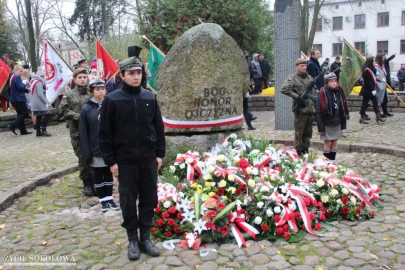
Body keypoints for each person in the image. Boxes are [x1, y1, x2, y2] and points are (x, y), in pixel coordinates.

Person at [98, 57, 165, 260]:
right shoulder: (113, 99)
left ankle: (145, 238)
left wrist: (159, 153)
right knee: (128, 202)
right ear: (123, 75)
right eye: (131, 73)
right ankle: (132, 240)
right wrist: (111, 161)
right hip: (125, 161)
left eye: (139, 73)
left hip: (147, 160)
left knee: (148, 199)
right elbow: (105, 133)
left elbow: (158, 128)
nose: (136, 77)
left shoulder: (149, 98)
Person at [79, 78, 118, 212]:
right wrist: (87, 152)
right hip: (95, 147)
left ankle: (110, 199)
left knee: (109, 174)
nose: (101, 91)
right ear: (92, 91)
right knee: (98, 174)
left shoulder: (110, 105)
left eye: (103, 89)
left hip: (109, 147)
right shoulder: (87, 109)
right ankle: (102, 200)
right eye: (98, 89)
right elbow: (83, 131)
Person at [59, 68, 96, 196]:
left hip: (92, 131)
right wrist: (77, 116)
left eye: (85, 77)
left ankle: (95, 181)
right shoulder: (69, 95)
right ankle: (86, 182)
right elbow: (62, 111)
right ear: (75, 79)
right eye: (80, 77)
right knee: (82, 156)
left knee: (94, 155)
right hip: (77, 131)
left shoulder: (92, 93)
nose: (82, 80)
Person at [281, 58, 316, 156]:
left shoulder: (310, 78)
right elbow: (284, 89)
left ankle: (306, 151)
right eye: (301, 66)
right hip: (301, 111)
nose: (304, 68)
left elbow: (313, 93)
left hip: (310, 109)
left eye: (305, 66)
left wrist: (315, 108)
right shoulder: (293, 78)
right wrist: (297, 97)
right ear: (296, 67)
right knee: (299, 134)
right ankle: (299, 152)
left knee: (308, 134)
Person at [316, 73, 349, 163]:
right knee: (328, 143)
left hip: (336, 122)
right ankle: (327, 163)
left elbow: (343, 110)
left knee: (334, 143)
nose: (334, 83)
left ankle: (332, 162)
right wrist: (321, 127)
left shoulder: (339, 92)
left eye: (335, 81)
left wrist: (343, 125)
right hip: (327, 123)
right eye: (331, 81)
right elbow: (318, 112)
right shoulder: (322, 94)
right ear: (327, 83)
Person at [359, 55, 386, 124]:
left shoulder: (371, 69)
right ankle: (362, 117)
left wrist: (380, 80)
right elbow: (369, 81)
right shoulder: (367, 70)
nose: (374, 62)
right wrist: (372, 89)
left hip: (371, 89)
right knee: (364, 104)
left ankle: (378, 115)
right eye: (373, 61)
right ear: (370, 61)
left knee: (375, 102)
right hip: (367, 89)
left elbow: (374, 78)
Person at [8, 65, 32, 135]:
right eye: (21, 71)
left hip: (15, 98)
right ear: (16, 70)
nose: (22, 73)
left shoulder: (12, 77)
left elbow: (16, 87)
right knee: (25, 113)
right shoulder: (17, 77)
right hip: (19, 98)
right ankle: (13, 125)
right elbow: (20, 87)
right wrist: (24, 84)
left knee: (20, 114)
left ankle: (23, 130)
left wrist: (27, 90)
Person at [31, 70, 51, 137]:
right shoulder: (39, 82)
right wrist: (46, 101)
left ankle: (38, 131)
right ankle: (43, 130)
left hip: (34, 102)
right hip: (38, 102)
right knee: (47, 114)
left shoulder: (33, 82)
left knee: (39, 117)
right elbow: (40, 94)